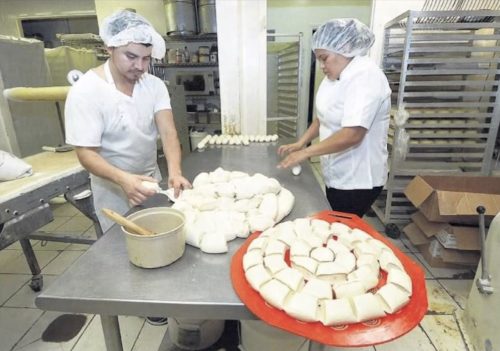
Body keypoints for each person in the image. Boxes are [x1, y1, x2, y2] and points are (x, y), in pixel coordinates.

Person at [64, 10, 192, 325]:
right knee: (128, 250)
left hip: (150, 178)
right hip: (112, 187)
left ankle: (163, 295)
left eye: (147, 59)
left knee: (159, 238)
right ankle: (144, 303)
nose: (140, 66)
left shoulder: (153, 86)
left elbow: (168, 132)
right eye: (131, 57)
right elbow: (85, 152)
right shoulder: (86, 92)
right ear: (109, 48)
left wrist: (174, 170)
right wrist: (123, 180)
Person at [278, 18, 391, 218]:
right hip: (338, 172)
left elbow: (352, 135)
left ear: (345, 48)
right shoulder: (334, 78)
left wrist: (305, 154)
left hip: (358, 179)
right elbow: (322, 117)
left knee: (341, 230)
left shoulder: (366, 77)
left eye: (324, 58)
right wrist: (301, 143)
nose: (321, 65)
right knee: (335, 222)